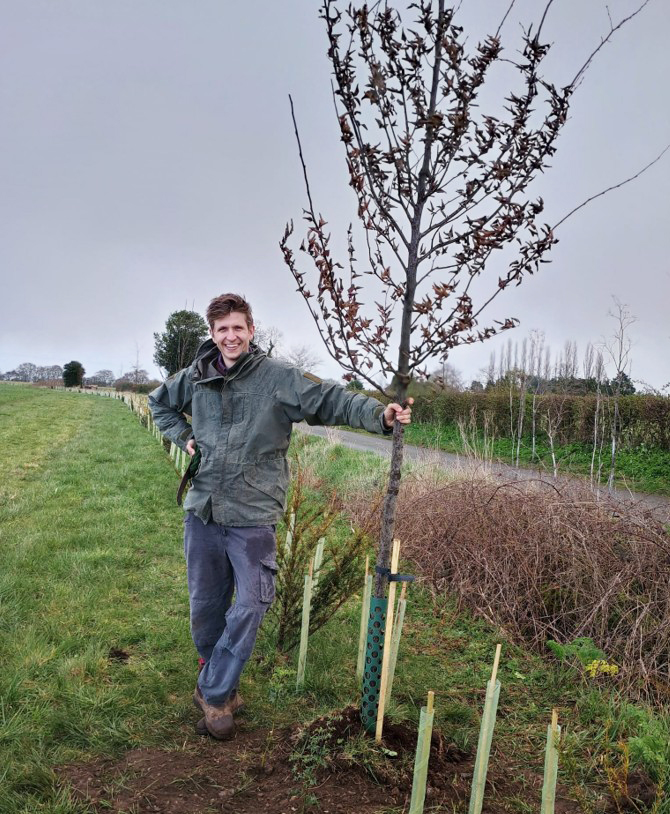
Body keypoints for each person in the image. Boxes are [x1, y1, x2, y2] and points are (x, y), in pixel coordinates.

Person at [148, 292, 412, 740]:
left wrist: (380, 416)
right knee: (207, 607)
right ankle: (220, 686)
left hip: (253, 511)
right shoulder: (194, 376)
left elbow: (330, 400)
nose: (230, 336)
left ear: (252, 330)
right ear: (212, 334)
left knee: (253, 601)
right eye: (222, 329)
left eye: (238, 327)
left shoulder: (278, 378)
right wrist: (185, 438)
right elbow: (159, 404)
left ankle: (212, 693)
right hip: (205, 508)